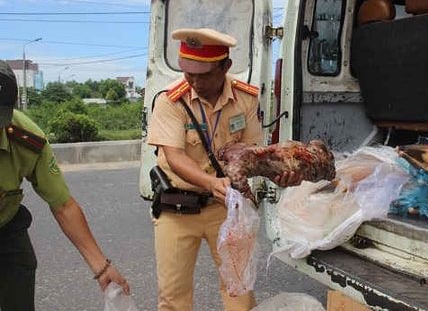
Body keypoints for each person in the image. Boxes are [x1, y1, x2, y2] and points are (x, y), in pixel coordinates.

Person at [147, 28, 302, 311]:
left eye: (203, 74)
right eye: (187, 72)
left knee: (239, 293)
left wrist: (280, 175)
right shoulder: (170, 100)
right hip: (177, 209)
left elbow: (253, 154)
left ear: (225, 66)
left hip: (229, 209)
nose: (194, 81)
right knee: (173, 299)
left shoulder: (246, 99)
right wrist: (211, 183)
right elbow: (173, 157)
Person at [0, 60, 130, 310]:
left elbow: (63, 206)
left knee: (19, 282)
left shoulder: (27, 140)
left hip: (6, 227)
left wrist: (101, 266)